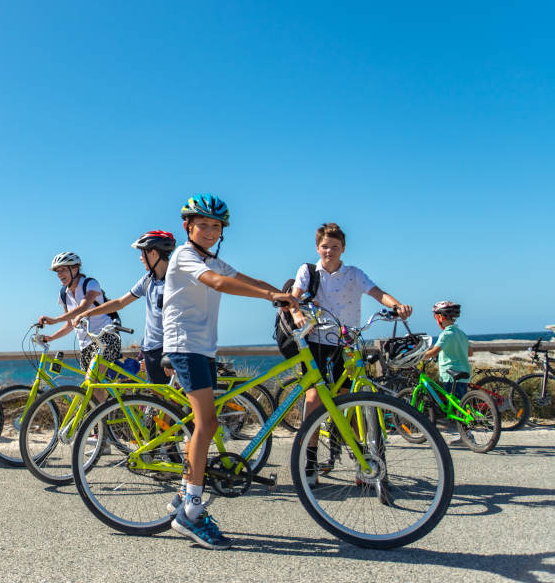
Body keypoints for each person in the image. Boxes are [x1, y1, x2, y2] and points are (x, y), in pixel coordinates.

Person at [162, 195, 297, 550]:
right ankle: (190, 512)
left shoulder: (214, 259)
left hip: (203, 347)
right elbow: (219, 283)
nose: (209, 231)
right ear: (187, 227)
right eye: (202, 224)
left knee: (206, 422)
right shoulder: (184, 255)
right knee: (206, 424)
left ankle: (182, 494)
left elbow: (239, 276)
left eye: (215, 226)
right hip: (184, 345)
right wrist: (269, 297)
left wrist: (282, 294)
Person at [288, 222, 413, 484]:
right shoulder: (308, 271)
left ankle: (361, 460)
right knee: (314, 400)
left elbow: (378, 293)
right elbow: (294, 298)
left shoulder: (354, 274)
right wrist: (297, 313)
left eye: (334, 247)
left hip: (347, 344)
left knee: (350, 402)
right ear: (317, 247)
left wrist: (398, 306)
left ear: (343, 248)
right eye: (325, 246)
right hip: (317, 342)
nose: (329, 251)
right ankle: (309, 460)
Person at [72, 231, 176, 386]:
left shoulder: (176, 281)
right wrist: (88, 313)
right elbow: (120, 302)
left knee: (172, 400)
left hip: (167, 348)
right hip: (150, 348)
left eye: (142, 253)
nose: (141, 258)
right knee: (158, 396)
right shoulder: (148, 280)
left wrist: (172, 351)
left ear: (153, 253)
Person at [37, 252, 123, 372]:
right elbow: (69, 325)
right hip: (85, 346)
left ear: (75, 268)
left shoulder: (90, 284)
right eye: (57, 271)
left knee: (93, 381)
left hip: (105, 339)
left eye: (63, 269)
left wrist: (55, 320)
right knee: (93, 387)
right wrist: (51, 338)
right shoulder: (63, 294)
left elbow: (84, 307)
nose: (59, 274)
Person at [422, 301, 472, 445]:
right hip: (464, 372)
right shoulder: (461, 334)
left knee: (457, 408)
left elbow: (434, 352)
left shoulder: (446, 334)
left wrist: (421, 355)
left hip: (450, 374)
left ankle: (467, 435)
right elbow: (470, 352)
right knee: (461, 404)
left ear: (441, 318)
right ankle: (465, 435)